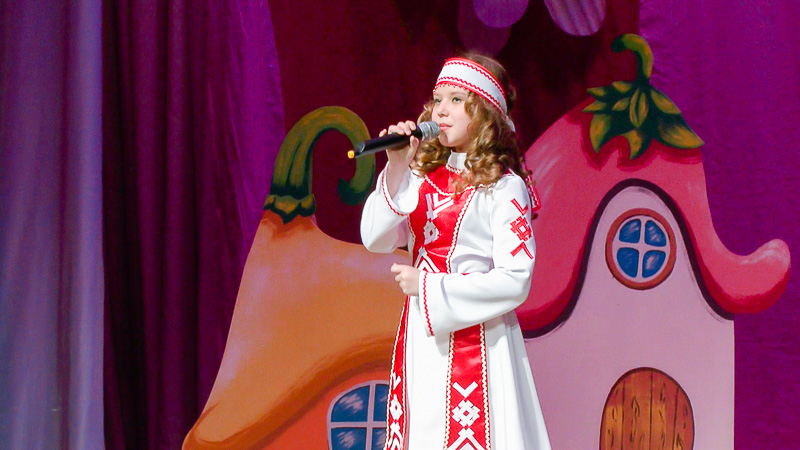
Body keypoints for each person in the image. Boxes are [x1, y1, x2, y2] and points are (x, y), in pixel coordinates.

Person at [360, 52, 551, 450]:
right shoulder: (420, 174)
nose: (441, 110)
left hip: (480, 338)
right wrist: (396, 167)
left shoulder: (504, 187)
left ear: (484, 113)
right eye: (437, 99)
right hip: (422, 337)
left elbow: (516, 279)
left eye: (456, 100)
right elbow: (374, 238)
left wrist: (428, 286)